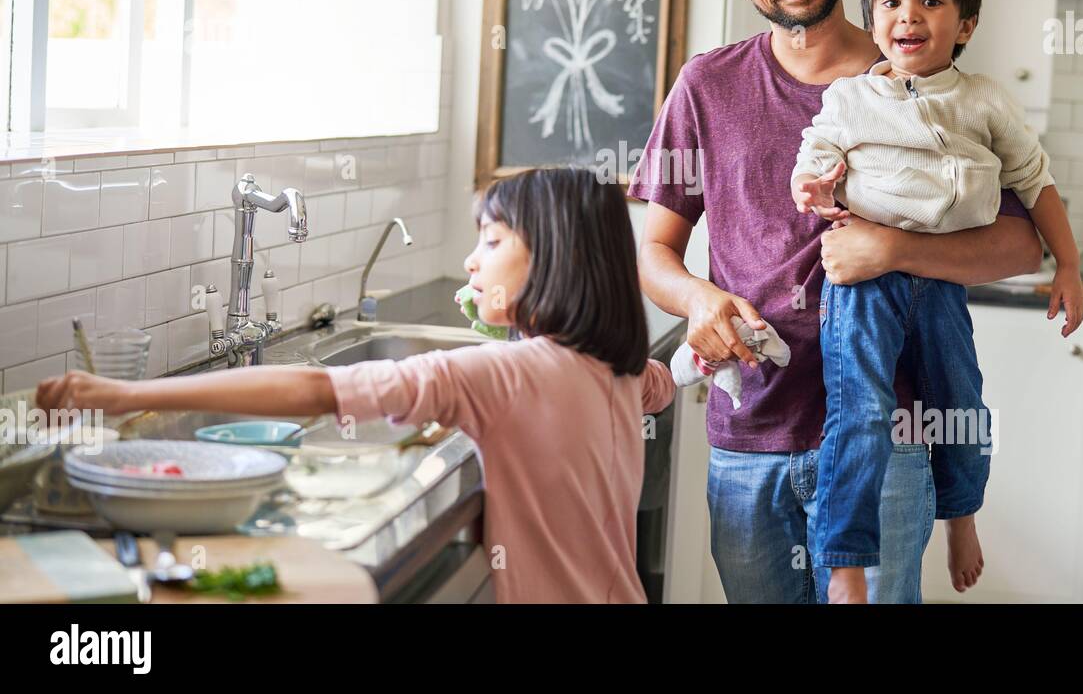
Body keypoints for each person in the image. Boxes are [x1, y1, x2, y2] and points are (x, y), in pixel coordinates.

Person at [630, 0, 1044, 604]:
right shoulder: (706, 87)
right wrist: (697, 300)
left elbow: (1023, 242)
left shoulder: (927, 81)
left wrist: (897, 250)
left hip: (890, 440)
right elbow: (654, 254)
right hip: (749, 436)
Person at [36, 167, 674, 604]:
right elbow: (660, 385)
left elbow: (318, 390)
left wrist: (127, 395)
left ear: (554, 258)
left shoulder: (501, 375)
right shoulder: (611, 367)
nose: (471, 261)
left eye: (492, 241)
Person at [792, 0, 1083, 604]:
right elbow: (812, 162)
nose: (908, 16)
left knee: (960, 403)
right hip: (865, 286)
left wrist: (1067, 264)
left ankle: (962, 514)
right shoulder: (850, 98)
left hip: (943, 281)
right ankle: (844, 559)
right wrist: (808, 187)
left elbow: (1035, 183)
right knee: (862, 409)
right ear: (872, 18)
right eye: (890, 1)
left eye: (931, 1)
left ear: (966, 24)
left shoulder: (984, 100)